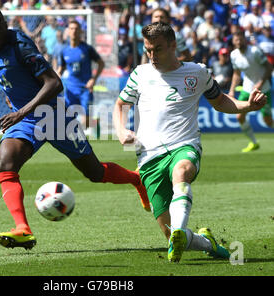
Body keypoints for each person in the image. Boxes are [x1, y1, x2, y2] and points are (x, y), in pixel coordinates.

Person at [0, 6, 149, 251]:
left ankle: (137, 179)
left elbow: (54, 83)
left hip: (53, 116)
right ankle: (23, 229)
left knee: (95, 172)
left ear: (5, 25)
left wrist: (20, 111)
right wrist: (14, 102)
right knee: (5, 163)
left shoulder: (21, 46)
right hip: (26, 120)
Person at [113, 22, 267, 263]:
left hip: (184, 144)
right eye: (148, 50)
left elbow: (220, 101)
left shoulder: (198, 72)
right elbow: (120, 104)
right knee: (170, 233)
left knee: (181, 172)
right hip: (148, 157)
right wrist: (121, 130)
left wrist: (248, 105)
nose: (152, 56)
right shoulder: (140, 74)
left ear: (173, 45)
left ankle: (179, 230)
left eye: (158, 49)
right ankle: (206, 241)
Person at [228, 30, 274, 152]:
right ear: (233, 41)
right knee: (239, 116)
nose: (238, 42)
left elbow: (269, 67)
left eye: (240, 39)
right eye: (236, 40)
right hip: (247, 89)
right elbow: (237, 73)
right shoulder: (234, 55)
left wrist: (260, 83)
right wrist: (232, 90)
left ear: (244, 39)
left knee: (268, 121)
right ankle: (253, 143)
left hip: (263, 90)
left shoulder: (255, 51)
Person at [57, 19, 105, 135]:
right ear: (68, 31)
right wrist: (56, 77)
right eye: (71, 29)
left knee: (84, 122)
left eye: (76, 29)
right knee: (67, 121)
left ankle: (93, 122)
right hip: (70, 89)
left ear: (80, 31)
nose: (74, 31)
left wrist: (93, 79)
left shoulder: (87, 49)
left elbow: (101, 63)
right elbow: (61, 68)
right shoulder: (64, 50)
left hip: (85, 89)